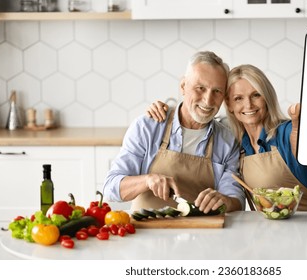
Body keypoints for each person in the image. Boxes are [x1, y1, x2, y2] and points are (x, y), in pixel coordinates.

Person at [147, 64, 307, 211]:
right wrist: (164, 107)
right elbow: (192, 114)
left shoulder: (286, 132)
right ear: (228, 103)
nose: (248, 105)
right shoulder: (231, 142)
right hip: (268, 237)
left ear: (267, 97)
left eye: (255, 95)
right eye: (238, 98)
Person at [102, 51, 246, 214]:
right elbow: (111, 188)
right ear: (183, 86)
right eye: (200, 88)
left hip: (203, 235)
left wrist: (226, 201)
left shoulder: (227, 141)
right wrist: (147, 180)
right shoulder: (148, 127)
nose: (208, 100)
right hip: (146, 235)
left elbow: (236, 199)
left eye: (217, 91)